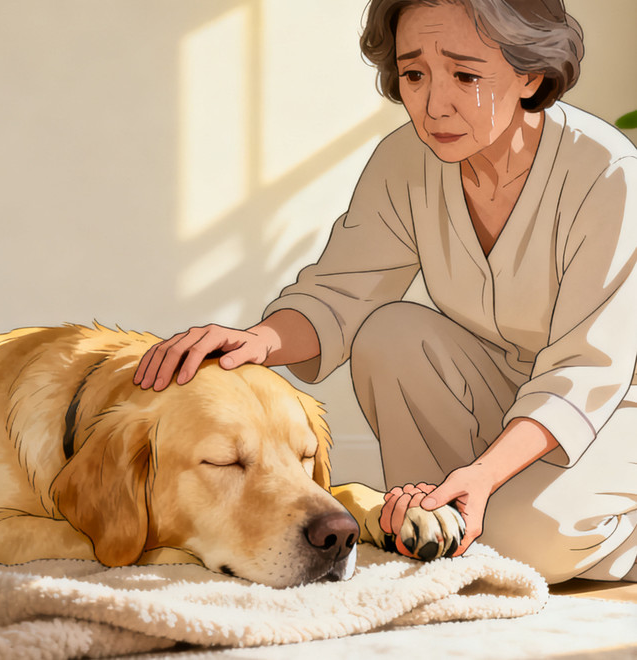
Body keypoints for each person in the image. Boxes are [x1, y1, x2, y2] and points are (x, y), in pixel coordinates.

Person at [134, 0, 637, 584]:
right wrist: (255, 341)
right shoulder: (406, 160)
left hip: (610, 401)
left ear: (531, 74)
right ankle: (436, 519)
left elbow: (587, 369)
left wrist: (485, 475)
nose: (433, 103)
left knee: (529, 543)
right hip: (500, 386)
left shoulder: (608, 173)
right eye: (414, 74)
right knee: (389, 331)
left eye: (466, 76)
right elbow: (340, 293)